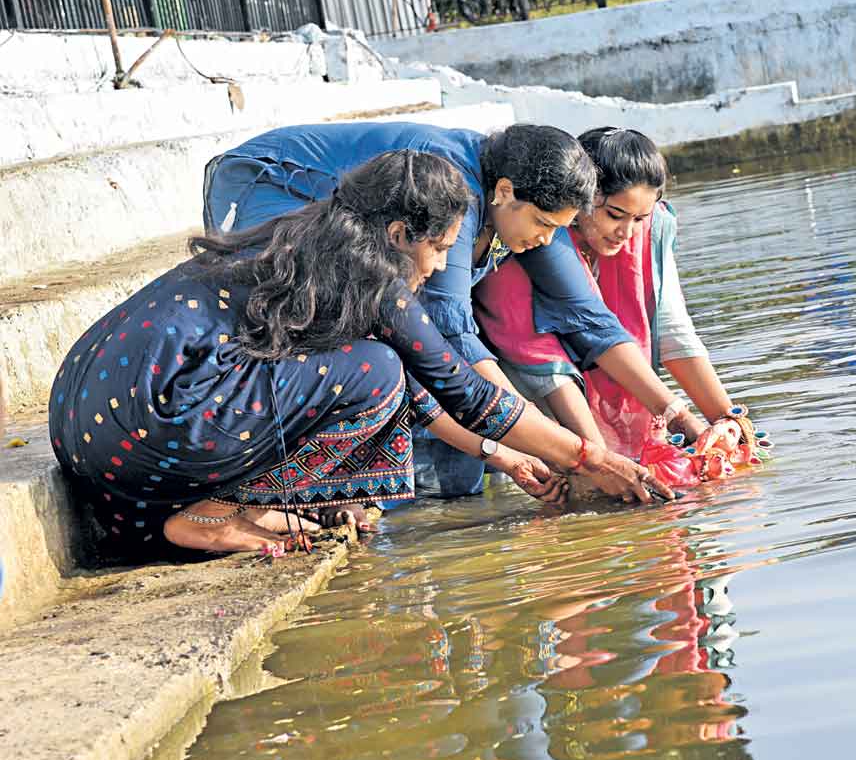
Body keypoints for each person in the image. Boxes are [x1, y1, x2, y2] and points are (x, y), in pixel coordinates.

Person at [49, 150, 671, 560]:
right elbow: (460, 389)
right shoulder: (375, 277)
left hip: (86, 423)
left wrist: (499, 455)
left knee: (376, 369)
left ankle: (227, 507)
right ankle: (220, 510)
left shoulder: (308, 237)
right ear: (400, 235)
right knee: (374, 370)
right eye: (437, 250)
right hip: (154, 418)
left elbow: (424, 396)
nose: (433, 269)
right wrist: (591, 459)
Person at [203, 122, 707, 499]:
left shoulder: (530, 199)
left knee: (471, 470)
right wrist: (577, 453)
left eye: (559, 229)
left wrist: (684, 419)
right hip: (269, 186)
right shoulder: (456, 194)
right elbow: (452, 334)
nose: (546, 241)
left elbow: (590, 319)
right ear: (504, 193)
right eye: (542, 225)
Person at [475, 127, 761, 478]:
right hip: (533, 417)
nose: (626, 233)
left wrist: (725, 422)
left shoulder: (648, 235)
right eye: (614, 214)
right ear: (581, 200)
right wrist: (600, 464)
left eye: (639, 219)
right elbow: (541, 360)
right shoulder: (529, 237)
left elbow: (674, 333)